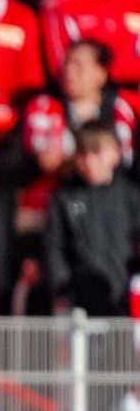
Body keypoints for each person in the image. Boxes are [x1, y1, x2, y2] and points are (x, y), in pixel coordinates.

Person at [44, 121, 140, 318]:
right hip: (79, 302)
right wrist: (62, 289)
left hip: (125, 299)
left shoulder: (131, 196)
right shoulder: (64, 197)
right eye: (83, 154)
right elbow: (54, 246)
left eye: (96, 153)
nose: (89, 162)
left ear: (115, 153)